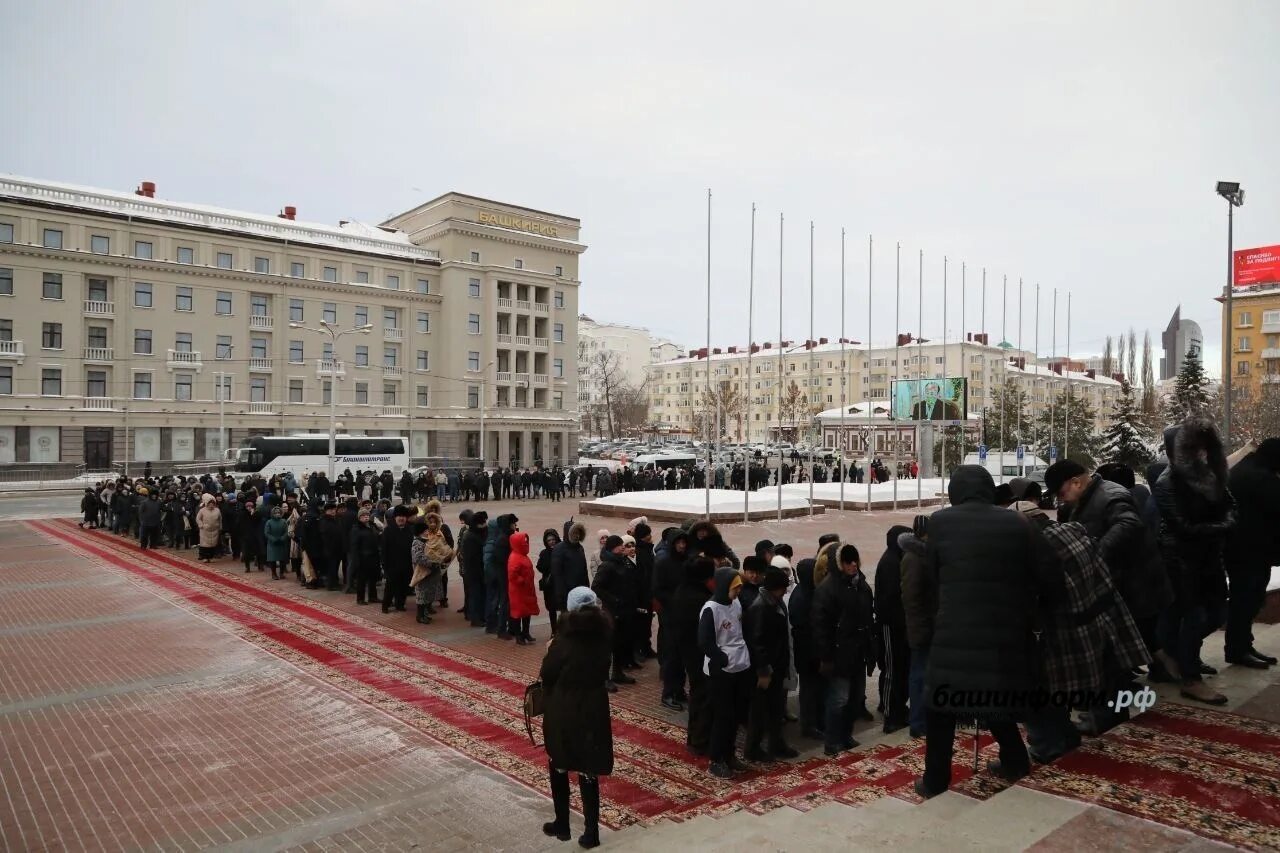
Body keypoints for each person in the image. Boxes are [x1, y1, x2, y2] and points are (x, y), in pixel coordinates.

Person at [915, 465, 1062, 799]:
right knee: (995, 699)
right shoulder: (1017, 522)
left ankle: (935, 780)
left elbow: (934, 576)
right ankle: (1015, 760)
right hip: (1003, 631)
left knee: (940, 711)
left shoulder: (940, 522)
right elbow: (1047, 573)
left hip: (954, 631)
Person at [1025, 518, 1149, 764]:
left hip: (1067, 630)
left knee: (1041, 688)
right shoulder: (1075, 533)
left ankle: (1052, 744)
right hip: (1101, 618)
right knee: (1105, 677)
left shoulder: (1039, 552)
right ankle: (1102, 723)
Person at [1044, 459, 1147, 734]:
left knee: (1109, 661)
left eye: (1061, 492)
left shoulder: (1110, 496)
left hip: (1116, 585)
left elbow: (1129, 525)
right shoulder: (1084, 500)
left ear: (1076, 482)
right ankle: (1108, 712)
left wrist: (1093, 553)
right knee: (1107, 659)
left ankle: (1108, 716)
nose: (1060, 499)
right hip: (1105, 585)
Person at [1154, 417, 1238, 705]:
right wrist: (1224, 526)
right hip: (1180, 557)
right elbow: (1183, 527)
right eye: (1194, 448)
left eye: (1204, 448)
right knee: (1193, 614)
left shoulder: (1209, 475)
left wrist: (1226, 521)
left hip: (1209, 556)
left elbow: (1230, 505)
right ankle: (1190, 676)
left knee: (1216, 613)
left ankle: (1175, 654)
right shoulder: (1167, 483)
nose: (1201, 454)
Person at [540, 587, 613, 849]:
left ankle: (562, 823)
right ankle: (591, 832)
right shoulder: (603, 636)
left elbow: (547, 674)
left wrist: (549, 651)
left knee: (559, 761)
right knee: (588, 768)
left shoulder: (563, 641)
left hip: (565, 707)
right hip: (594, 707)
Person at [811, 544, 876, 756]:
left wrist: (870, 648)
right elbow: (821, 626)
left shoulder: (861, 585)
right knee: (838, 699)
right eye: (848, 562)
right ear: (840, 564)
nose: (853, 565)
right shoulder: (828, 589)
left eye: (855, 560)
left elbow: (868, 618)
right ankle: (832, 741)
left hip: (858, 652)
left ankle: (846, 735)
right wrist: (826, 657)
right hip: (839, 654)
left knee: (855, 698)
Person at [1223, 437, 1280, 668]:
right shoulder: (1259, 477)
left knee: (1249, 599)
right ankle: (1237, 649)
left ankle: (1243, 645)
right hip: (1248, 551)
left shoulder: (1249, 469)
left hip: (1249, 549)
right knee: (1245, 600)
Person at [698, 567, 752, 778]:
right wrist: (721, 658)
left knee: (736, 715)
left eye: (739, 588)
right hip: (721, 670)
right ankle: (716, 759)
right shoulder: (711, 609)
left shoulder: (736, 603)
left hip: (740, 665)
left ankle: (730, 754)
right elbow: (704, 641)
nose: (737, 592)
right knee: (722, 716)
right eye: (734, 588)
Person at [744, 567, 798, 762]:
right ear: (775, 588)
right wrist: (764, 670)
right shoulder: (760, 607)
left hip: (778, 665)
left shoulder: (775, 603)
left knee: (776, 709)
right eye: (783, 588)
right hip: (765, 670)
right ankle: (753, 748)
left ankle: (777, 744)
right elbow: (756, 643)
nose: (785, 591)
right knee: (760, 711)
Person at [874, 525, 913, 733]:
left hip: (899, 625)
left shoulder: (897, 559)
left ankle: (897, 708)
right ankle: (890, 714)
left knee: (901, 669)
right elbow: (890, 600)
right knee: (891, 670)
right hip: (890, 626)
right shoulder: (890, 563)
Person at [897, 515, 932, 738]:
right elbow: (911, 598)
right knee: (919, 674)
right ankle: (918, 722)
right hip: (921, 627)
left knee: (925, 673)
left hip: (928, 624)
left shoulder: (924, 554)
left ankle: (924, 718)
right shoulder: (914, 558)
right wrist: (921, 625)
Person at [593, 535, 638, 687]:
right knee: (609, 644)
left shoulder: (623, 561)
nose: (623, 547)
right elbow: (597, 587)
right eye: (620, 545)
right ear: (613, 547)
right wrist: (614, 600)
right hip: (612, 611)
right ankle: (605, 677)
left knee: (620, 643)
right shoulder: (607, 565)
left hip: (625, 610)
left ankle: (618, 673)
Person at [788, 553, 824, 740]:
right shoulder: (805, 596)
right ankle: (810, 725)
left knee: (812, 688)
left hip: (806, 651)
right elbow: (809, 629)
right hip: (809, 652)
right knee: (810, 689)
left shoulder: (801, 591)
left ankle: (814, 722)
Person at [380, 506, 415, 613]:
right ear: (395, 517)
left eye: (404, 516)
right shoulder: (388, 531)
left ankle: (400, 604)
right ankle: (385, 605)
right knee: (390, 587)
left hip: (406, 565)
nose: (401, 518)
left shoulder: (410, 530)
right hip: (392, 565)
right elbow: (384, 550)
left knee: (403, 586)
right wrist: (384, 566)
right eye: (399, 516)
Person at [507, 530, 539, 644]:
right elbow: (512, 575)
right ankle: (518, 635)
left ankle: (526, 632)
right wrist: (522, 581)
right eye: (523, 541)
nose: (526, 543)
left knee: (527, 612)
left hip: (526, 589)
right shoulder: (515, 557)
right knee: (518, 613)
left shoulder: (522, 555)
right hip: (518, 591)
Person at [348, 508, 383, 606]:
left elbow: (376, 537)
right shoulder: (356, 529)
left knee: (373, 578)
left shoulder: (372, 526)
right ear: (359, 518)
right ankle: (360, 598)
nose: (366, 517)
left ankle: (373, 597)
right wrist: (356, 560)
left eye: (367, 515)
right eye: (363, 516)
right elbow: (354, 546)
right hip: (363, 557)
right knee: (362, 580)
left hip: (374, 556)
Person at [461, 511, 490, 627]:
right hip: (474, 572)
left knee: (481, 594)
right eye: (483, 523)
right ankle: (476, 618)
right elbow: (472, 557)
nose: (485, 525)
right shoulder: (470, 537)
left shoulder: (477, 533)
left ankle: (481, 616)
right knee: (476, 595)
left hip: (479, 570)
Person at [536, 529, 563, 634]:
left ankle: (562, 629)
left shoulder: (562, 551)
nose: (552, 542)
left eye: (553, 539)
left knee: (562, 607)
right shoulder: (544, 553)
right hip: (550, 586)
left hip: (560, 584)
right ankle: (554, 631)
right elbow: (539, 566)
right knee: (552, 609)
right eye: (549, 540)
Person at [264, 507, 291, 580]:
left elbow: (286, 531)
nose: (277, 514)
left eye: (279, 512)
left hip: (282, 543)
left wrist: (283, 538)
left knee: (282, 559)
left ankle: (281, 573)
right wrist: (273, 539)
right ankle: (274, 574)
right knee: (273, 560)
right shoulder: (269, 522)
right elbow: (267, 533)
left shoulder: (284, 521)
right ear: (273, 513)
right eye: (276, 513)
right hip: (272, 544)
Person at [196, 495, 222, 562]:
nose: (211, 505)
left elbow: (220, 519)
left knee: (213, 545)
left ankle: (210, 557)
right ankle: (204, 557)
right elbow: (198, 519)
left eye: (213, 504)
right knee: (205, 545)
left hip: (215, 530)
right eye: (210, 504)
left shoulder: (217, 510)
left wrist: (220, 526)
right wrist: (201, 525)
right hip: (205, 530)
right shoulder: (202, 510)